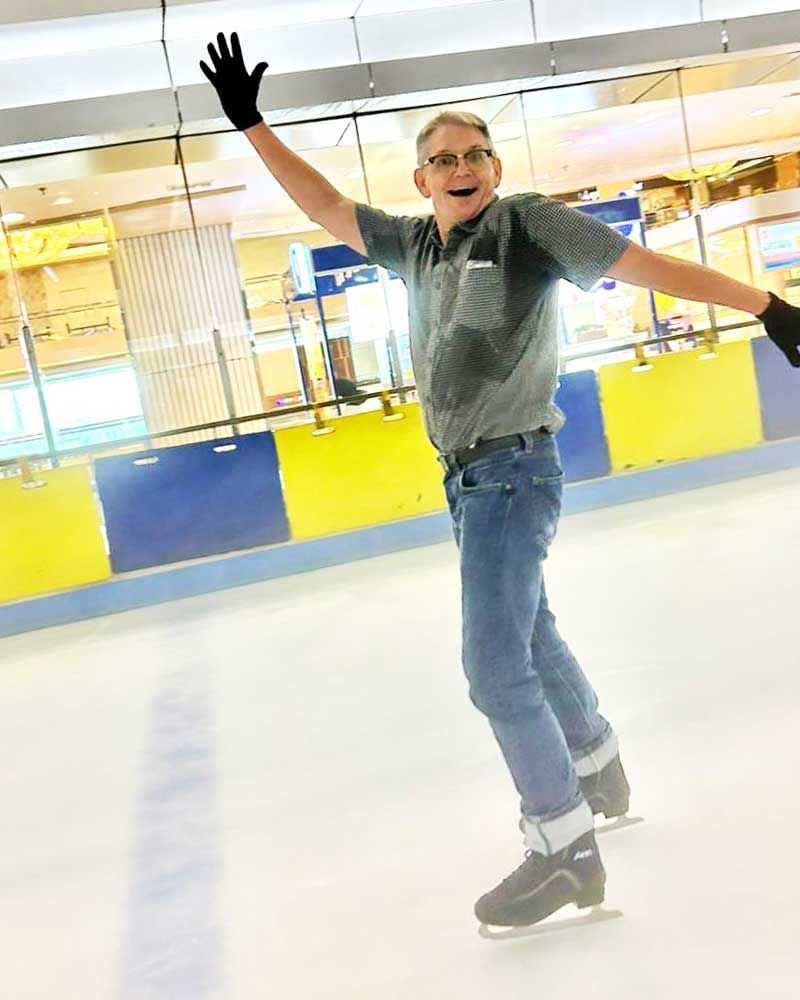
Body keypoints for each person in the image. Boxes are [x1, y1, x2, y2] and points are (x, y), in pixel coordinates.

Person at [200, 31, 800, 930]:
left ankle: (563, 850)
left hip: (513, 471)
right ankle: (595, 765)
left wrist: (767, 303)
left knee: (493, 668)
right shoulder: (414, 248)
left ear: (494, 162)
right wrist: (252, 125)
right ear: (422, 181)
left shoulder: (526, 226)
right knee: (531, 628)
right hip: (468, 479)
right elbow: (323, 204)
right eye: (443, 159)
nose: (462, 167)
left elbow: (646, 267)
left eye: (476, 152)